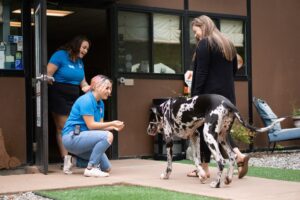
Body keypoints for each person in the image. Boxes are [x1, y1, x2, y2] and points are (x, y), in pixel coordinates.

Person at [186, 15, 250, 179]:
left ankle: (204, 169)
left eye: (196, 31)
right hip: (228, 97)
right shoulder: (227, 43)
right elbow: (234, 70)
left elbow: (201, 74)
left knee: (203, 130)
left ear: (204, 27)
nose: (195, 35)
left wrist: (195, 99)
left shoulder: (205, 44)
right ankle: (238, 156)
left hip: (209, 98)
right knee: (221, 131)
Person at [62, 75, 125, 177]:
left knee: (106, 168)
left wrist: (114, 127)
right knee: (108, 136)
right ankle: (91, 168)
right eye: (107, 88)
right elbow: (91, 125)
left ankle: (72, 161)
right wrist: (112, 123)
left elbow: (99, 126)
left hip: (84, 139)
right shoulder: (86, 100)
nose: (109, 92)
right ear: (95, 87)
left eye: (110, 89)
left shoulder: (101, 104)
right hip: (71, 137)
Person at [47, 35, 91, 174]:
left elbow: (83, 83)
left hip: (74, 97)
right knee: (63, 127)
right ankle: (66, 161)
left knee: (76, 126)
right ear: (76, 45)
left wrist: (94, 90)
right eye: (84, 47)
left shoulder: (79, 62)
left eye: (87, 49)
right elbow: (47, 75)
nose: (85, 51)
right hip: (59, 95)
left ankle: (77, 158)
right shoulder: (60, 55)